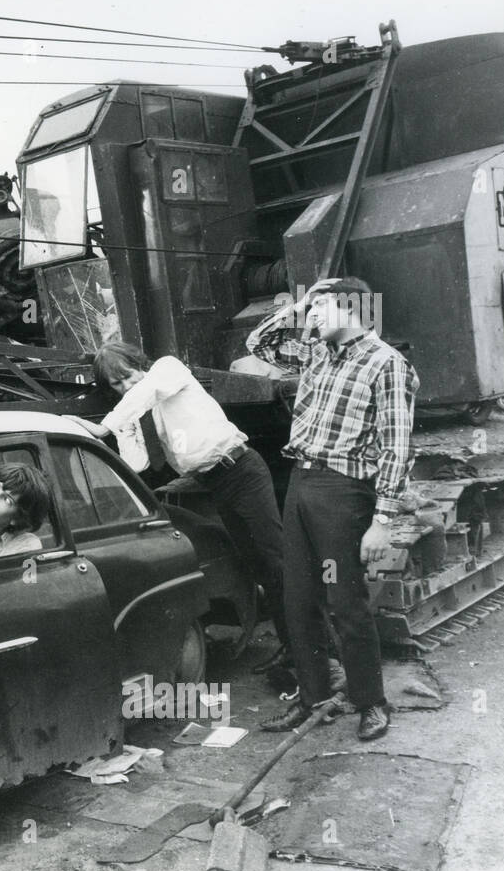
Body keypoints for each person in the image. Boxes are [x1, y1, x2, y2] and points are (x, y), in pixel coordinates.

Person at [247, 277, 419, 741]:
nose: (312, 317)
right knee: (298, 599)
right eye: (312, 309)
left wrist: (383, 519)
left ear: (352, 307)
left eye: (322, 308)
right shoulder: (315, 354)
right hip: (300, 481)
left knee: (345, 601)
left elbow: (397, 449)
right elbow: (259, 344)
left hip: (343, 493)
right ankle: (314, 700)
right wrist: (302, 304)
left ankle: (371, 703)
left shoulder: (387, 364)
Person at [79, 342, 290, 654]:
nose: (127, 386)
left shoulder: (167, 369)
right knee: (258, 565)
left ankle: (321, 657)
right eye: (117, 384)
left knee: (277, 563)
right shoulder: (142, 406)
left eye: (128, 375)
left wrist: (103, 427)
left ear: (140, 363)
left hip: (241, 470)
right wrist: (123, 427)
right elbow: (137, 464)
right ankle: (292, 652)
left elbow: (145, 389)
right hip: (217, 482)